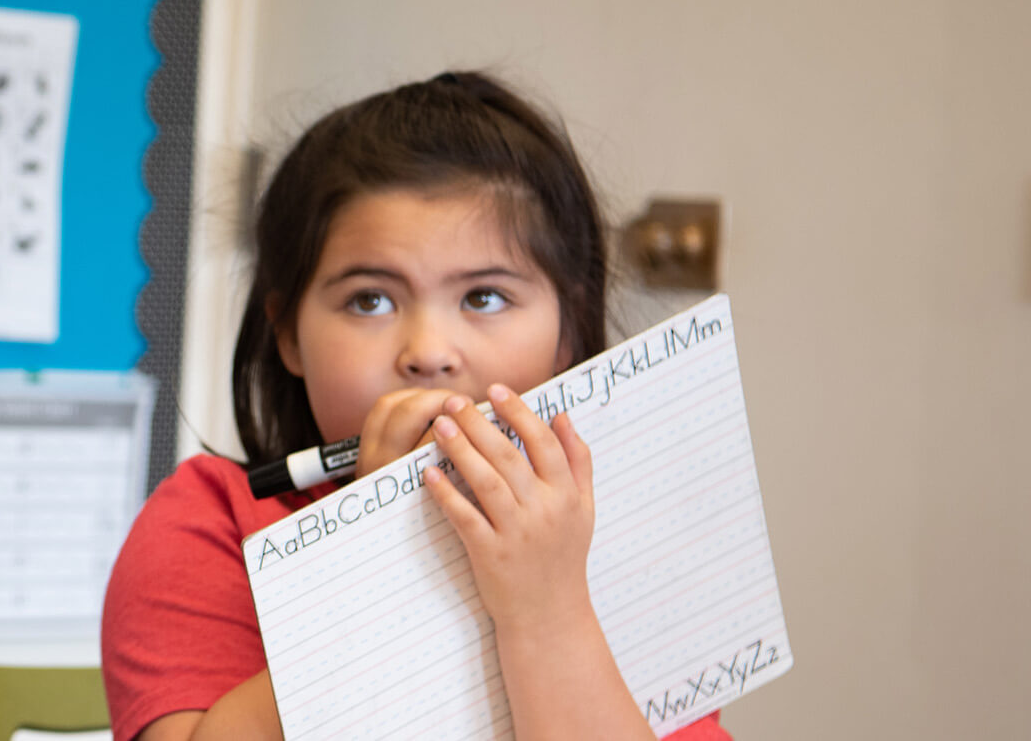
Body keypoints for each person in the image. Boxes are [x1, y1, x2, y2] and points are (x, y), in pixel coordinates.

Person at [98, 72, 726, 741]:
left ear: (567, 328)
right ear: (287, 334)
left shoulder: (621, 531)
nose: (429, 352)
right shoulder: (210, 522)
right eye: (370, 300)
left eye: (484, 297)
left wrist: (547, 606)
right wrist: (378, 557)